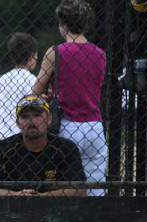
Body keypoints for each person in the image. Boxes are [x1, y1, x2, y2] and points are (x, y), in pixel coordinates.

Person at [32, 0, 107, 196]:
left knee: (65, 187)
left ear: (63, 24)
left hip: (67, 125)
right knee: (96, 186)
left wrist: (49, 93)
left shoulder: (56, 52)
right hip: (94, 126)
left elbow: (36, 90)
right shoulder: (100, 54)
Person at [0, 95, 86, 196]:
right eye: (25, 117)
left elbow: (80, 190)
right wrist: (16, 195)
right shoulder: (1, 149)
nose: (31, 121)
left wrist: (43, 197)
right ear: (18, 123)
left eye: (37, 115)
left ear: (49, 119)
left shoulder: (66, 148)